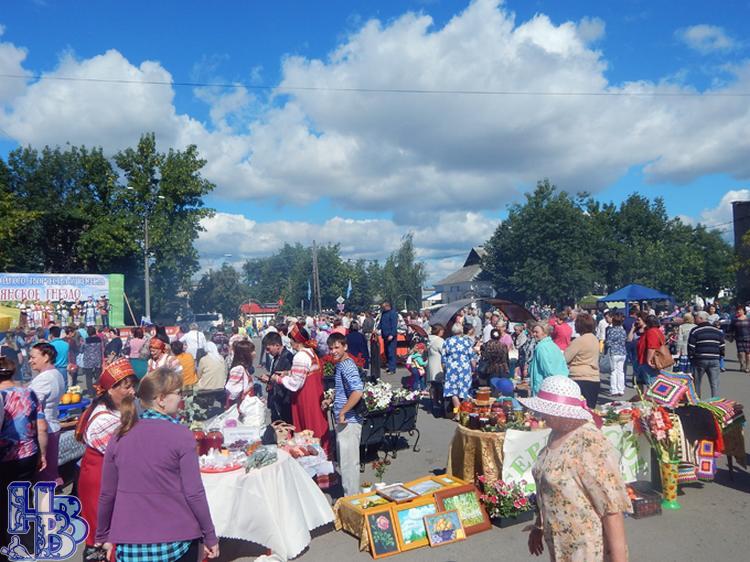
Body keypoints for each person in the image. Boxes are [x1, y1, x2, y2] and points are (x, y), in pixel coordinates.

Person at [95, 368, 219, 562]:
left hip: (130, 542)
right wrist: (210, 535)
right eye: (178, 394)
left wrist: (102, 534)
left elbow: (107, 493)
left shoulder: (120, 435)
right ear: (161, 399)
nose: (181, 399)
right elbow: (194, 492)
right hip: (176, 539)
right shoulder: (181, 435)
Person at [520, 376, 631, 562]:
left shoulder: (589, 443)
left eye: (545, 410)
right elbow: (549, 489)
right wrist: (538, 526)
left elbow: (611, 509)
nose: (539, 416)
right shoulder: (557, 432)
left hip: (585, 550)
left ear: (561, 412)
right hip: (560, 545)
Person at [75, 358, 137, 558]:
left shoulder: (113, 411)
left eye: (133, 387)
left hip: (103, 477)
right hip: (99, 482)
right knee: (101, 533)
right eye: (126, 388)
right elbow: (127, 455)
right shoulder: (104, 420)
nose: (132, 392)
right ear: (111, 389)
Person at [0, 357, 48, 549]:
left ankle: (7, 543)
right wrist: (42, 453)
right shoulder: (29, 393)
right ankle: (21, 540)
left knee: (3, 500)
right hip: (28, 453)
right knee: (21, 496)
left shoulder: (2, 396)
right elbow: (41, 427)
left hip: (5, 456)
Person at [268, 326, 331, 457]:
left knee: (307, 431)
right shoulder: (311, 353)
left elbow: (295, 384)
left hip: (305, 399)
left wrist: (278, 379)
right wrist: (288, 372)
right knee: (317, 427)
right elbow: (305, 373)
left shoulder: (300, 356)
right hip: (316, 397)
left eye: (291, 339)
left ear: (297, 341)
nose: (289, 342)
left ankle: (313, 466)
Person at [327, 332, 363, 497]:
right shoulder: (341, 364)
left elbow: (357, 391)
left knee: (349, 465)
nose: (333, 351)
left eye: (337, 347)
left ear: (345, 347)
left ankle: (352, 501)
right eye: (330, 348)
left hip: (349, 420)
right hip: (345, 419)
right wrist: (331, 399)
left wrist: (343, 411)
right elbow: (346, 390)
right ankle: (351, 498)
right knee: (346, 464)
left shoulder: (347, 365)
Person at [28, 341, 65, 484]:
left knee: (44, 474)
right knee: (49, 472)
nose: (30, 361)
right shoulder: (56, 374)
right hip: (52, 425)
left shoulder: (44, 378)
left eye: (33, 357)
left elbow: (32, 405)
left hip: (45, 428)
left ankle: (44, 504)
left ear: (46, 357)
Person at [564, 312, 601, 408]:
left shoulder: (579, 341)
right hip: (594, 377)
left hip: (579, 377)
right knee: (590, 409)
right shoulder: (595, 339)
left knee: (579, 410)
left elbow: (565, 358)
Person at [442, 323, 477, 419]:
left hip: (451, 369)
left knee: (453, 393)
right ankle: (463, 413)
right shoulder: (466, 342)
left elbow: (443, 359)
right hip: (464, 369)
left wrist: (445, 370)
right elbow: (472, 358)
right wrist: (474, 369)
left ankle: (457, 413)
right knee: (464, 391)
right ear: (461, 331)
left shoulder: (447, 341)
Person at [688, 310, 725, 398]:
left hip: (700, 359)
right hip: (714, 359)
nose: (695, 320)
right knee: (714, 383)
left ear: (701, 319)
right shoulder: (717, 331)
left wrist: (692, 358)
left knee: (697, 382)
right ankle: (715, 401)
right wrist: (720, 356)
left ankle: (697, 401)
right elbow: (722, 346)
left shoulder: (695, 331)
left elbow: (691, 346)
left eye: (696, 318)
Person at [528, 323, 569, 396]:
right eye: (533, 332)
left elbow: (546, 368)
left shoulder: (541, 347)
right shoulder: (554, 346)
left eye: (536, 332)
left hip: (544, 386)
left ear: (545, 333)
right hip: (559, 384)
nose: (534, 334)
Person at [261, 333, 293, 422]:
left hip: (284, 403)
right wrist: (270, 378)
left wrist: (270, 379)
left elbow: (290, 382)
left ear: (277, 345)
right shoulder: (276, 357)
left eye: (268, 349)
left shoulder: (287, 358)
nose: (267, 352)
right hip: (276, 400)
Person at [225, 339, 257, 407]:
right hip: (240, 407)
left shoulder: (243, 368)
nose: (254, 353)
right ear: (245, 354)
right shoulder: (239, 369)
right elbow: (232, 392)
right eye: (252, 351)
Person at [636, 315, 664, 390]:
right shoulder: (656, 331)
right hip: (643, 360)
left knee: (651, 383)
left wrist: (649, 360)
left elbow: (652, 347)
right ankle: (643, 398)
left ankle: (652, 399)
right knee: (639, 381)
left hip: (647, 361)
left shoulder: (652, 332)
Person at [606, 313, 628, 397]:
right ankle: (621, 389)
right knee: (621, 371)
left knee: (613, 371)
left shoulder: (611, 330)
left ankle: (614, 389)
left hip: (614, 352)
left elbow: (608, 342)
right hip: (622, 352)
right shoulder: (623, 331)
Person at [81, 326, 105, 396]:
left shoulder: (86, 340)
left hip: (88, 361)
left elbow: (81, 350)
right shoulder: (100, 340)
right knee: (98, 376)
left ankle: (90, 392)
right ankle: (99, 391)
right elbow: (102, 349)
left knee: (88, 377)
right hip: (98, 360)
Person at [378, 301, 399, 375]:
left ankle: (392, 368)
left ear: (388, 306)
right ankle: (389, 366)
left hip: (391, 336)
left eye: (384, 307)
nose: (383, 308)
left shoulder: (393, 313)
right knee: (387, 352)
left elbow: (394, 325)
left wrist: (392, 334)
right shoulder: (384, 313)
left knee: (391, 352)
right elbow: (381, 323)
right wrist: (377, 328)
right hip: (385, 335)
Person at [731, 305, 750, 373]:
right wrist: (730, 336)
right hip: (738, 338)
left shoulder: (748, 319)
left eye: (740, 310)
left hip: (748, 338)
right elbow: (731, 329)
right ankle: (742, 364)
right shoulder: (734, 320)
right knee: (740, 353)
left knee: (748, 353)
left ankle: (748, 367)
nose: (739, 311)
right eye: (738, 310)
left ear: (744, 311)